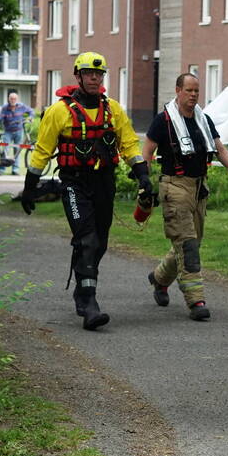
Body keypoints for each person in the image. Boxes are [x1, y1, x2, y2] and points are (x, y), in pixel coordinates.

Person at [19, 52, 152, 331]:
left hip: (104, 182)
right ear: (78, 76)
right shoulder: (59, 111)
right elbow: (43, 151)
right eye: (89, 74)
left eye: (99, 74)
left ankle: (82, 288)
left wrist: (143, 175)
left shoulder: (113, 109)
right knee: (87, 239)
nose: (94, 78)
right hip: (73, 183)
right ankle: (90, 304)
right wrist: (30, 188)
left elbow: (128, 145)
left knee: (99, 242)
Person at [143, 73, 228, 321]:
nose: (193, 96)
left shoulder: (203, 120)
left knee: (190, 242)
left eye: (196, 92)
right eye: (189, 90)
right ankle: (196, 300)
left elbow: (220, 148)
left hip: (199, 188)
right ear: (178, 90)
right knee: (187, 245)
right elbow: (147, 150)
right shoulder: (164, 121)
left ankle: (159, 279)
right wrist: (143, 181)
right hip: (175, 187)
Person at [0, 91, 35, 175]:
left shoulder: (21, 106)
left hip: (19, 131)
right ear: (9, 99)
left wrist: (30, 117)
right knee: (5, 150)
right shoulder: (5, 108)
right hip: (8, 132)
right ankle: (2, 170)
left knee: (17, 151)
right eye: (11, 98)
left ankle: (15, 170)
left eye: (14, 98)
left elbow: (31, 111)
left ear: (17, 99)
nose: (13, 100)